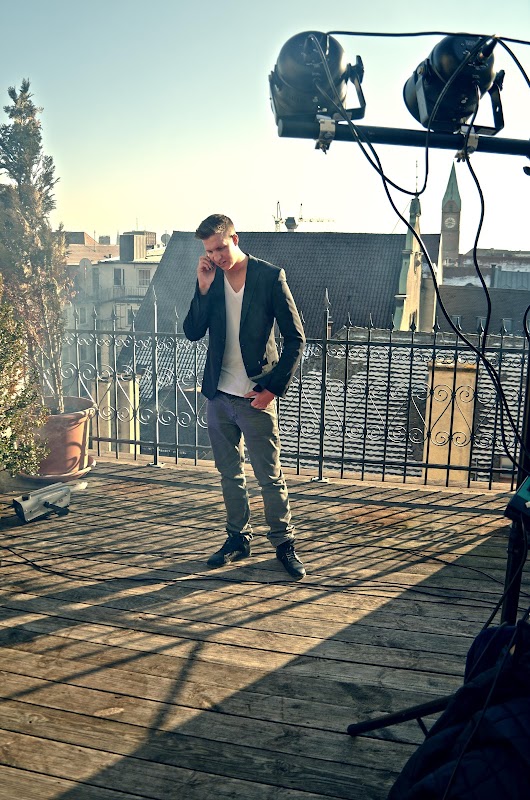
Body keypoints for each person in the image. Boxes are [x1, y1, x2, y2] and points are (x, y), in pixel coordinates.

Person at [183, 213, 306, 579]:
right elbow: (192, 331)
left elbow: (296, 339)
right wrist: (203, 286)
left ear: (234, 239)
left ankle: (284, 543)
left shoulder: (269, 276)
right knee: (229, 474)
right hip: (218, 397)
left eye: (221, 248)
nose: (216, 256)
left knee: (269, 476)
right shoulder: (212, 278)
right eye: (210, 251)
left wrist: (272, 389)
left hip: (255, 397)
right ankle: (238, 538)